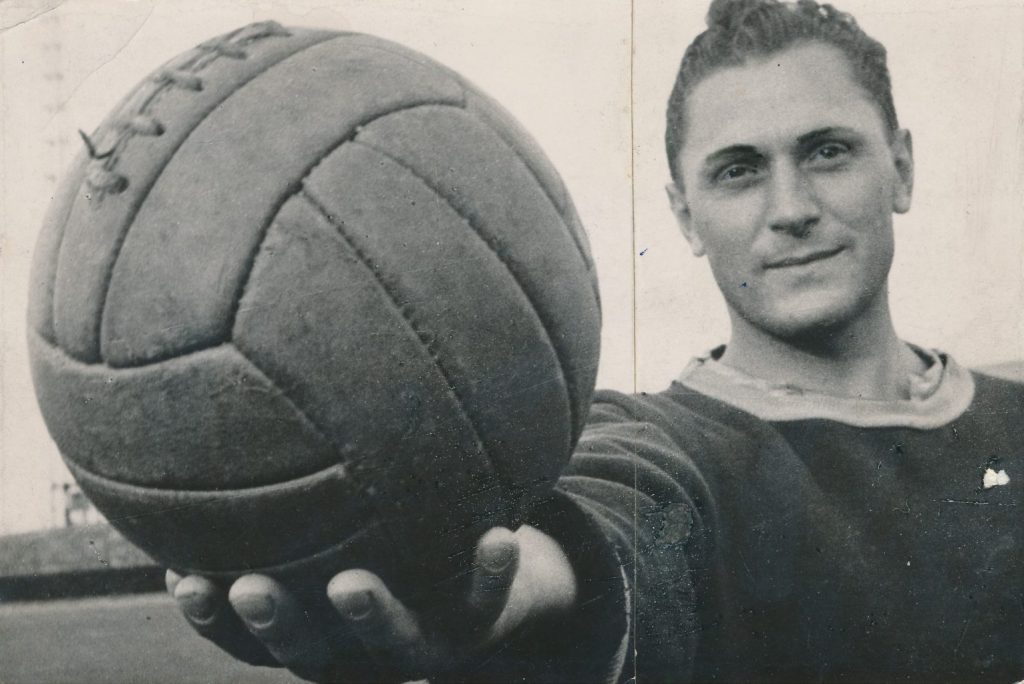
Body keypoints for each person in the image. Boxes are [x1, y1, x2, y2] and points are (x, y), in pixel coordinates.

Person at [166, 0, 1024, 681]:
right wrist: (517, 595)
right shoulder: (666, 447)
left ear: (901, 167)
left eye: (828, 152)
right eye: (738, 171)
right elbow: (605, 528)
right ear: (685, 215)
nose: (791, 208)